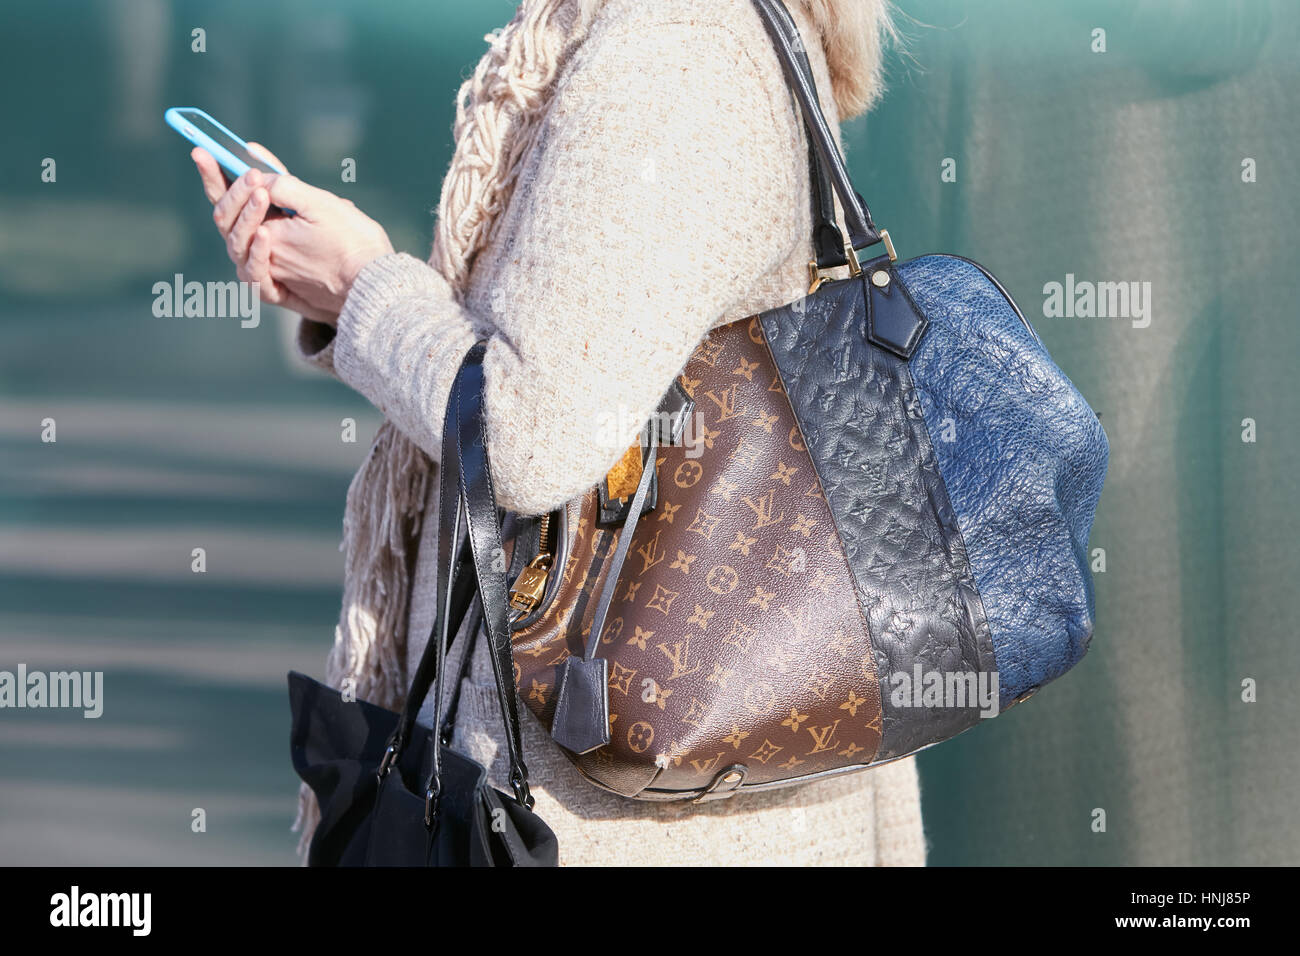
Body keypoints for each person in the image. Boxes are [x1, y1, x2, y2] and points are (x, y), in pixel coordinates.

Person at [191, 0, 924, 865]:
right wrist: (344, 293)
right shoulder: (702, 32)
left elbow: (525, 432)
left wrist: (363, 288)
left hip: (604, 812)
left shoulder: (675, 50)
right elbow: (578, 360)